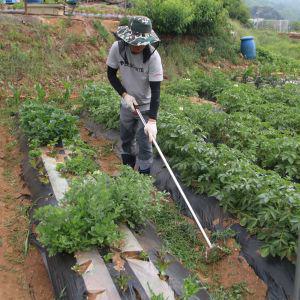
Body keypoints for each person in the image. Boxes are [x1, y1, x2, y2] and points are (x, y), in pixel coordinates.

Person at [106, 16, 163, 175]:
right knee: (126, 139)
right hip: (127, 104)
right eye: (135, 42)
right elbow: (111, 74)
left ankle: (142, 180)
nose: (138, 47)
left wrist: (152, 121)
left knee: (144, 144)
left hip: (145, 107)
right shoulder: (117, 49)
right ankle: (128, 173)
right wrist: (124, 95)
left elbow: (156, 91)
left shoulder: (153, 57)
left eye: (142, 43)